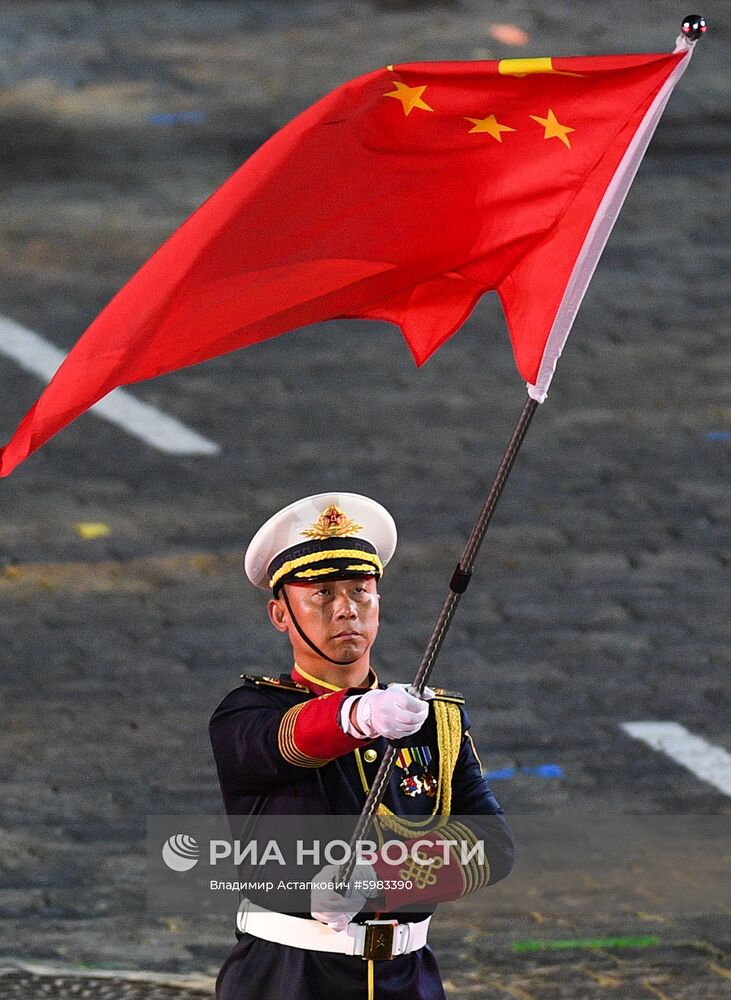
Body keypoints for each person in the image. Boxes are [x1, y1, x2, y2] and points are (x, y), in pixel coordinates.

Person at [210, 492, 514, 1000]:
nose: (346, 609)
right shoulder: (247, 714)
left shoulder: (434, 719)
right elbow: (290, 740)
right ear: (280, 614)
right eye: (322, 595)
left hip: (408, 979)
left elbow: (492, 846)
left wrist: (381, 876)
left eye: (360, 591)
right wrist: (359, 713)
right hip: (287, 979)